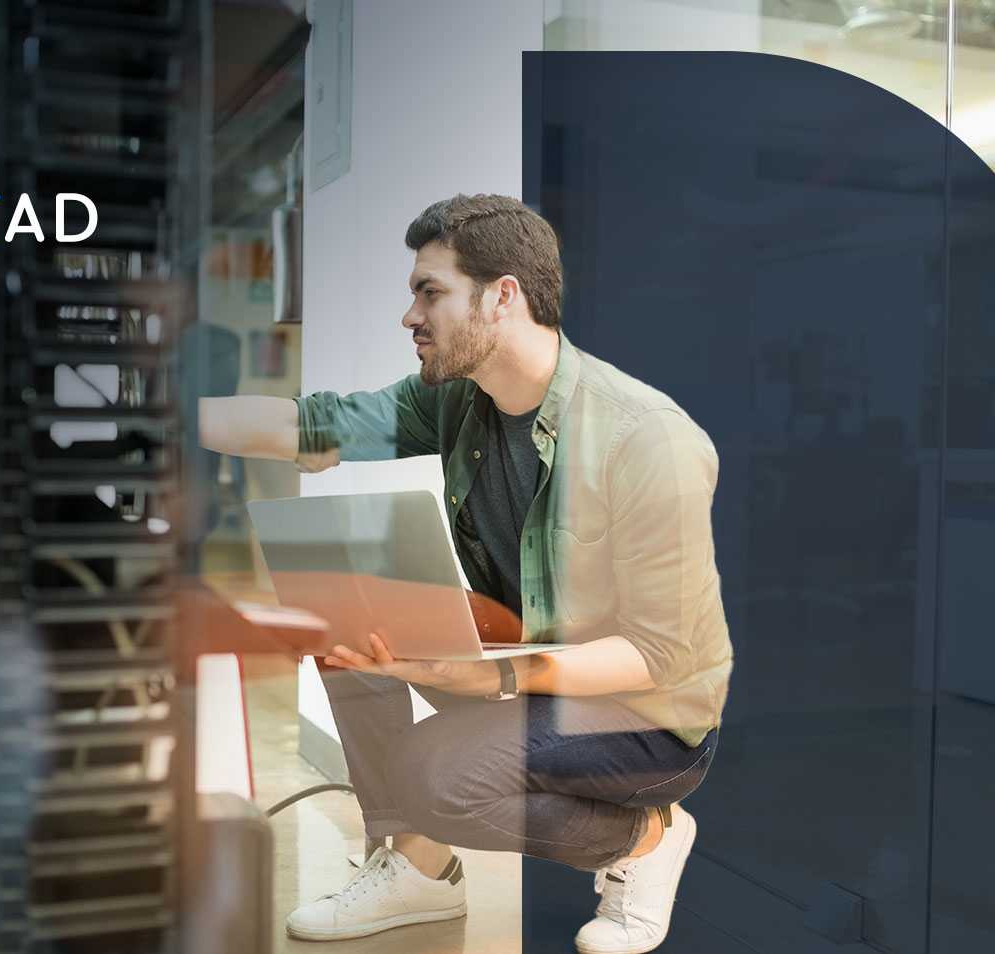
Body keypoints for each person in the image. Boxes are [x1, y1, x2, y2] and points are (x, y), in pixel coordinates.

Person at [199, 194, 733, 954]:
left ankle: (645, 838)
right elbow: (311, 424)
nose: (409, 315)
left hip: (645, 714)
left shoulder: (647, 439)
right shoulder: (456, 401)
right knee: (351, 618)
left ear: (503, 295)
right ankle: (418, 871)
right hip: (538, 658)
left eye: (430, 291)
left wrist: (493, 680)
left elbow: (659, 657)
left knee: (436, 773)